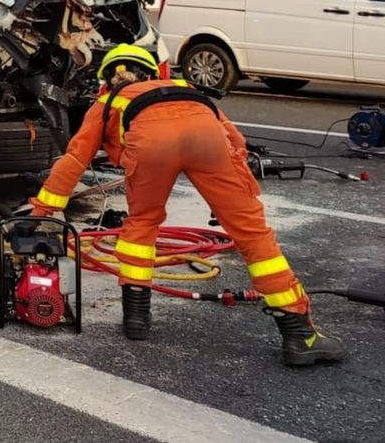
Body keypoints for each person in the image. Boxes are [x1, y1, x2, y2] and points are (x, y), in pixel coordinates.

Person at [29, 44, 345, 367]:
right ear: (154, 72)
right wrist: (233, 191)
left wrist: (43, 209)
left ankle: (136, 318)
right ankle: (298, 334)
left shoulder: (108, 101)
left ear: (107, 79)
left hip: (150, 147)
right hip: (206, 140)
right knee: (253, 235)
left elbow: (74, 159)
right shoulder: (187, 88)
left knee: (142, 224)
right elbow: (234, 140)